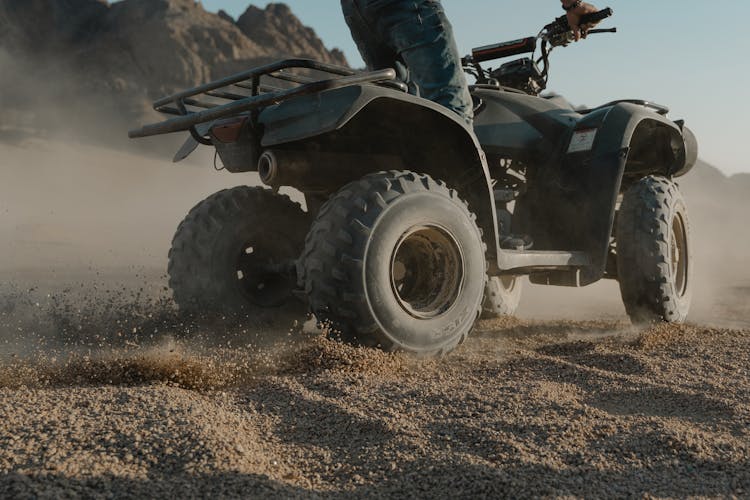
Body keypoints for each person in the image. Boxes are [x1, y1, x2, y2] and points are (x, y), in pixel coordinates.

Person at [340, 0, 600, 126]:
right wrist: (573, 4)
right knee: (452, 112)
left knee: (403, 114)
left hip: (358, 9)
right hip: (409, 6)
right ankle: (459, 218)